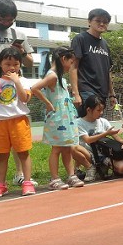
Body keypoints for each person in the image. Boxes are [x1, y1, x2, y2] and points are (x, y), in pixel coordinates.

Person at [30, 47, 85, 189]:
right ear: (63, 59)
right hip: (57, 118)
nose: (71, 66)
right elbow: (34, 88)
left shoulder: (59, 77)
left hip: (65, 117)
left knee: (67, 147)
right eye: (71, 62)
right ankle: (54, 178)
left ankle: (71, 175)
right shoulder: (52, 76)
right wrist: (48, 103)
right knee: (57, 148)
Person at [0, 0, 37, 188]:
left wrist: (21, 52)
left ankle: (20, 174)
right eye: (3, 19)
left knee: (17, 136)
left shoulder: (18, 34)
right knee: (2, 145)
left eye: (11, 19)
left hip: (15, 85)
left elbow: (29, 62)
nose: (7, 22)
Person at [0, 48, 36, 197]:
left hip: (19, 121)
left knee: (23, 153)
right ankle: (1, 185)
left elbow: (24, 98)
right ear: (0, 64)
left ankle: (27, 183)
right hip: (1, 122)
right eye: (7, 64)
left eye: (15, 64)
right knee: (2, 155)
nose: (12, 67)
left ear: (20, 65)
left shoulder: (24, 81)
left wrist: (16, 81)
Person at [70, 8, 117, 118]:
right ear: (89, 21)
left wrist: (112, 94)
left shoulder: (105, 44)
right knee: (85, 124)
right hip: (86, 91)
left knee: (97, 124)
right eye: (98, 20)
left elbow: (107, 72)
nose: (102, 24)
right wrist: (75, 93)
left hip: (102, 93)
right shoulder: (80, 39)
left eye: (105, 22)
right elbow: (73, 67)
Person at [77, 95, 123, 180]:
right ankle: (90, 167)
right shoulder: (79, 123)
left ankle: (102, 168)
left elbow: (115, 136)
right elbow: (87, 140)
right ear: (89, 110)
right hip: (88, 153)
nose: (101, 113)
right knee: (73, 147)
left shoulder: (103, 121)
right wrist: (105, 133)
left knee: (122, 168)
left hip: (103, 154)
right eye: (98, 110)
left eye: (102, 110)